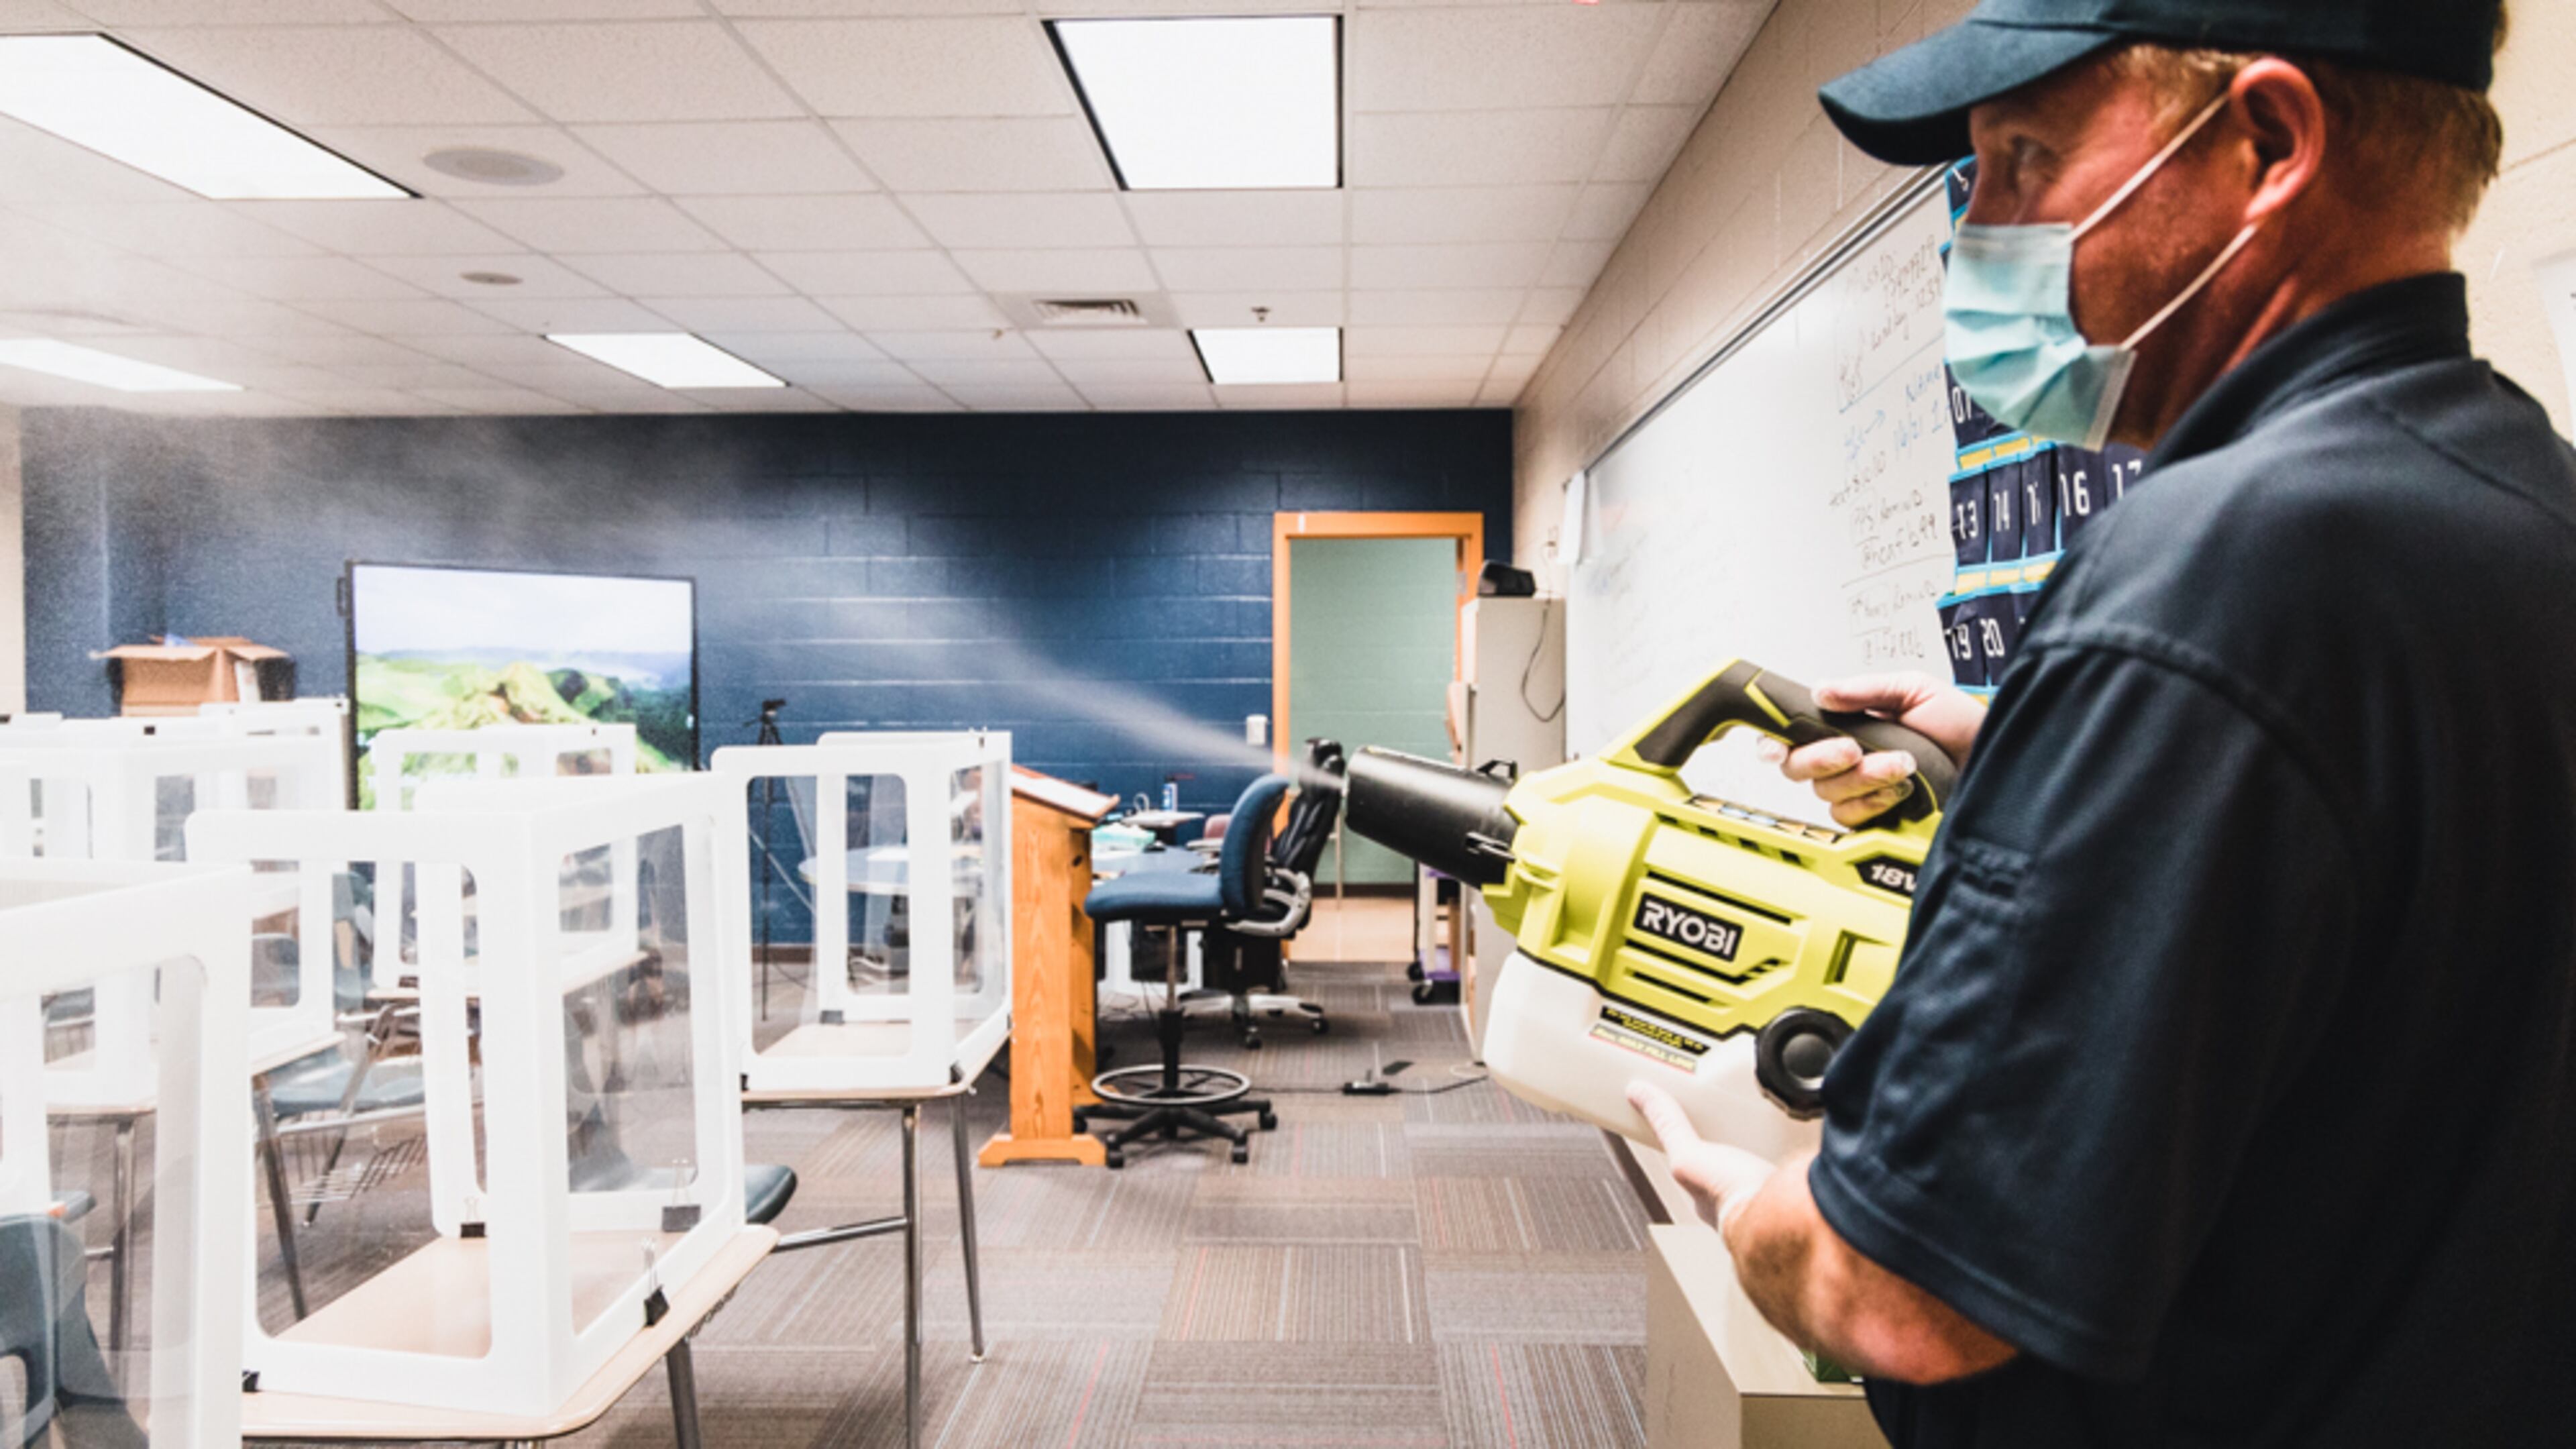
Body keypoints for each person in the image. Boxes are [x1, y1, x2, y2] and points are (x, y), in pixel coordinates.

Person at [1625, 1, 2576, 1444]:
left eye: (2023, 158)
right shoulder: (2515, 501)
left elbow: (1904, 1293)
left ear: (2269, 142)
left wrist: (1756, 1210)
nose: (1977, 233)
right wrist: (2014, 747)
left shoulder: (2213, 573)